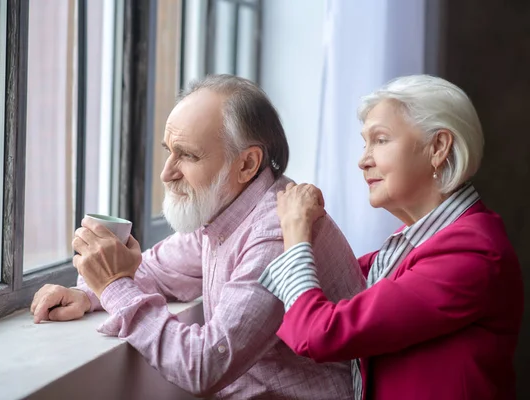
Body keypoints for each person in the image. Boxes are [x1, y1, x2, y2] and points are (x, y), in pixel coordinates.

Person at [31, 75, 365, 399]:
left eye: (188, 155)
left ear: (247, 164)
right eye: (169, 151)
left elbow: (203, 366)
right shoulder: (227, 210)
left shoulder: (276, 233)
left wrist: (115, 287)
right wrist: (88, 293)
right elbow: (158, 270)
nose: (166, 172)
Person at [259, 75, 524, 400]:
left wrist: (296, 229)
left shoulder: (473, 254)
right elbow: (321, 292)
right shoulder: (416, 242)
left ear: (438, 147)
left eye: (381, 140)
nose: (363, 160)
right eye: (365, 143)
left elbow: (320, 334)